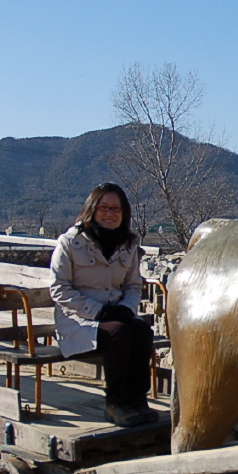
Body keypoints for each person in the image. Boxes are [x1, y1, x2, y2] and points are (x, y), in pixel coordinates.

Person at [50, 183, 157, 426]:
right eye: (104, 208)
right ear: (92, 210)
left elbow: (133, 286)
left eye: (116, 209)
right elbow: (59, 289)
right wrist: (98, 311)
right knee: (118, 333)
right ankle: (115, 403)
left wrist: (126, 308)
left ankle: (138, 400)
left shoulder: (128, 244)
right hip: (77, 321)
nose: (110, 214)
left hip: (116, 316)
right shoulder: (70, 243)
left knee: (140, 330)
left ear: (124, 213)